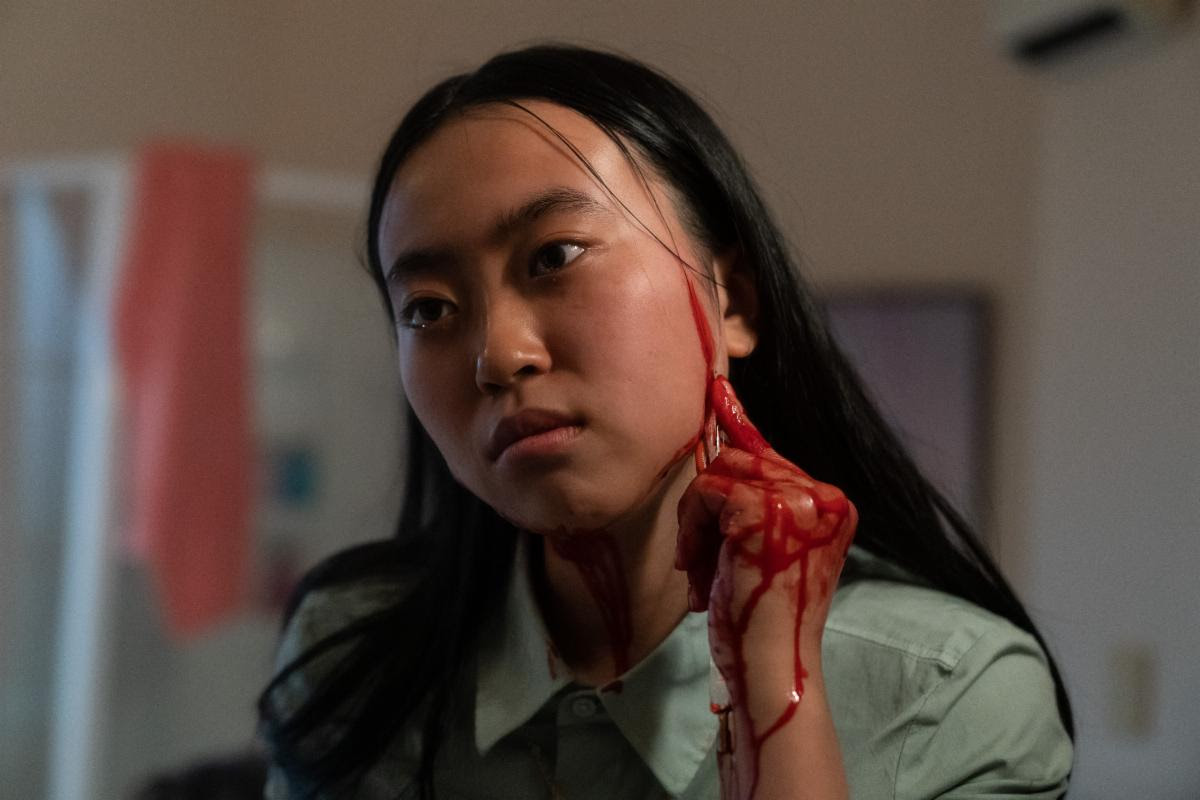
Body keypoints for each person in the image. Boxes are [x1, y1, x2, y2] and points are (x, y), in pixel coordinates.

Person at [258, 45, 1073, 800]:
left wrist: (773, 680)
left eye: (554, 256)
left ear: (734, 300)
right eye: (429, 309)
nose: (497, 356)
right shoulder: (352, 655)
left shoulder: (949, 695)